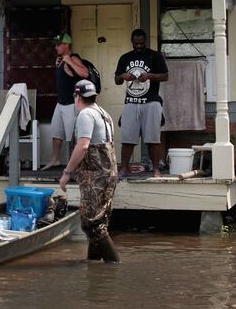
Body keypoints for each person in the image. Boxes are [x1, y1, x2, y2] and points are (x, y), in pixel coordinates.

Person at [59, 80, 119, 262]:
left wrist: (67, 172)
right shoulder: (104, 113)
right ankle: (93, 264)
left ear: (78, 97)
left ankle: (114, 264)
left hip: (95, 176)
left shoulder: (86, 114)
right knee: (100, 222)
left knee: (91, 223)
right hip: (108, 174)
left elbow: (83, 146)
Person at [115, 28, 169, 177]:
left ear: (145, 41)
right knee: (127, 138)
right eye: (136, 43)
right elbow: (117, 80)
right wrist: (123, 76)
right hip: (131, 102)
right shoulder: (125, 58)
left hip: (151, 101)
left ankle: (156, 169)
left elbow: (165, 76)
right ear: (132, 42)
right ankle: (124, 168)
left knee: (153, 138)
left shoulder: (154, 56)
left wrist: (150, 76)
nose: (138, 46)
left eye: (141, 43)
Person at [41, 33, 88, 170]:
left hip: (71, 103)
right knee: (56, 133)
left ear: (66, 45)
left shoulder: (73, 58)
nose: (55, 47)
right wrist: (62, 63)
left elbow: (84, 73)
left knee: (72, 136)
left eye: (58, 44)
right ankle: (55, 160)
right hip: (60, 103)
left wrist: (69, 61)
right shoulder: (61, 59)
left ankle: (75, 164)